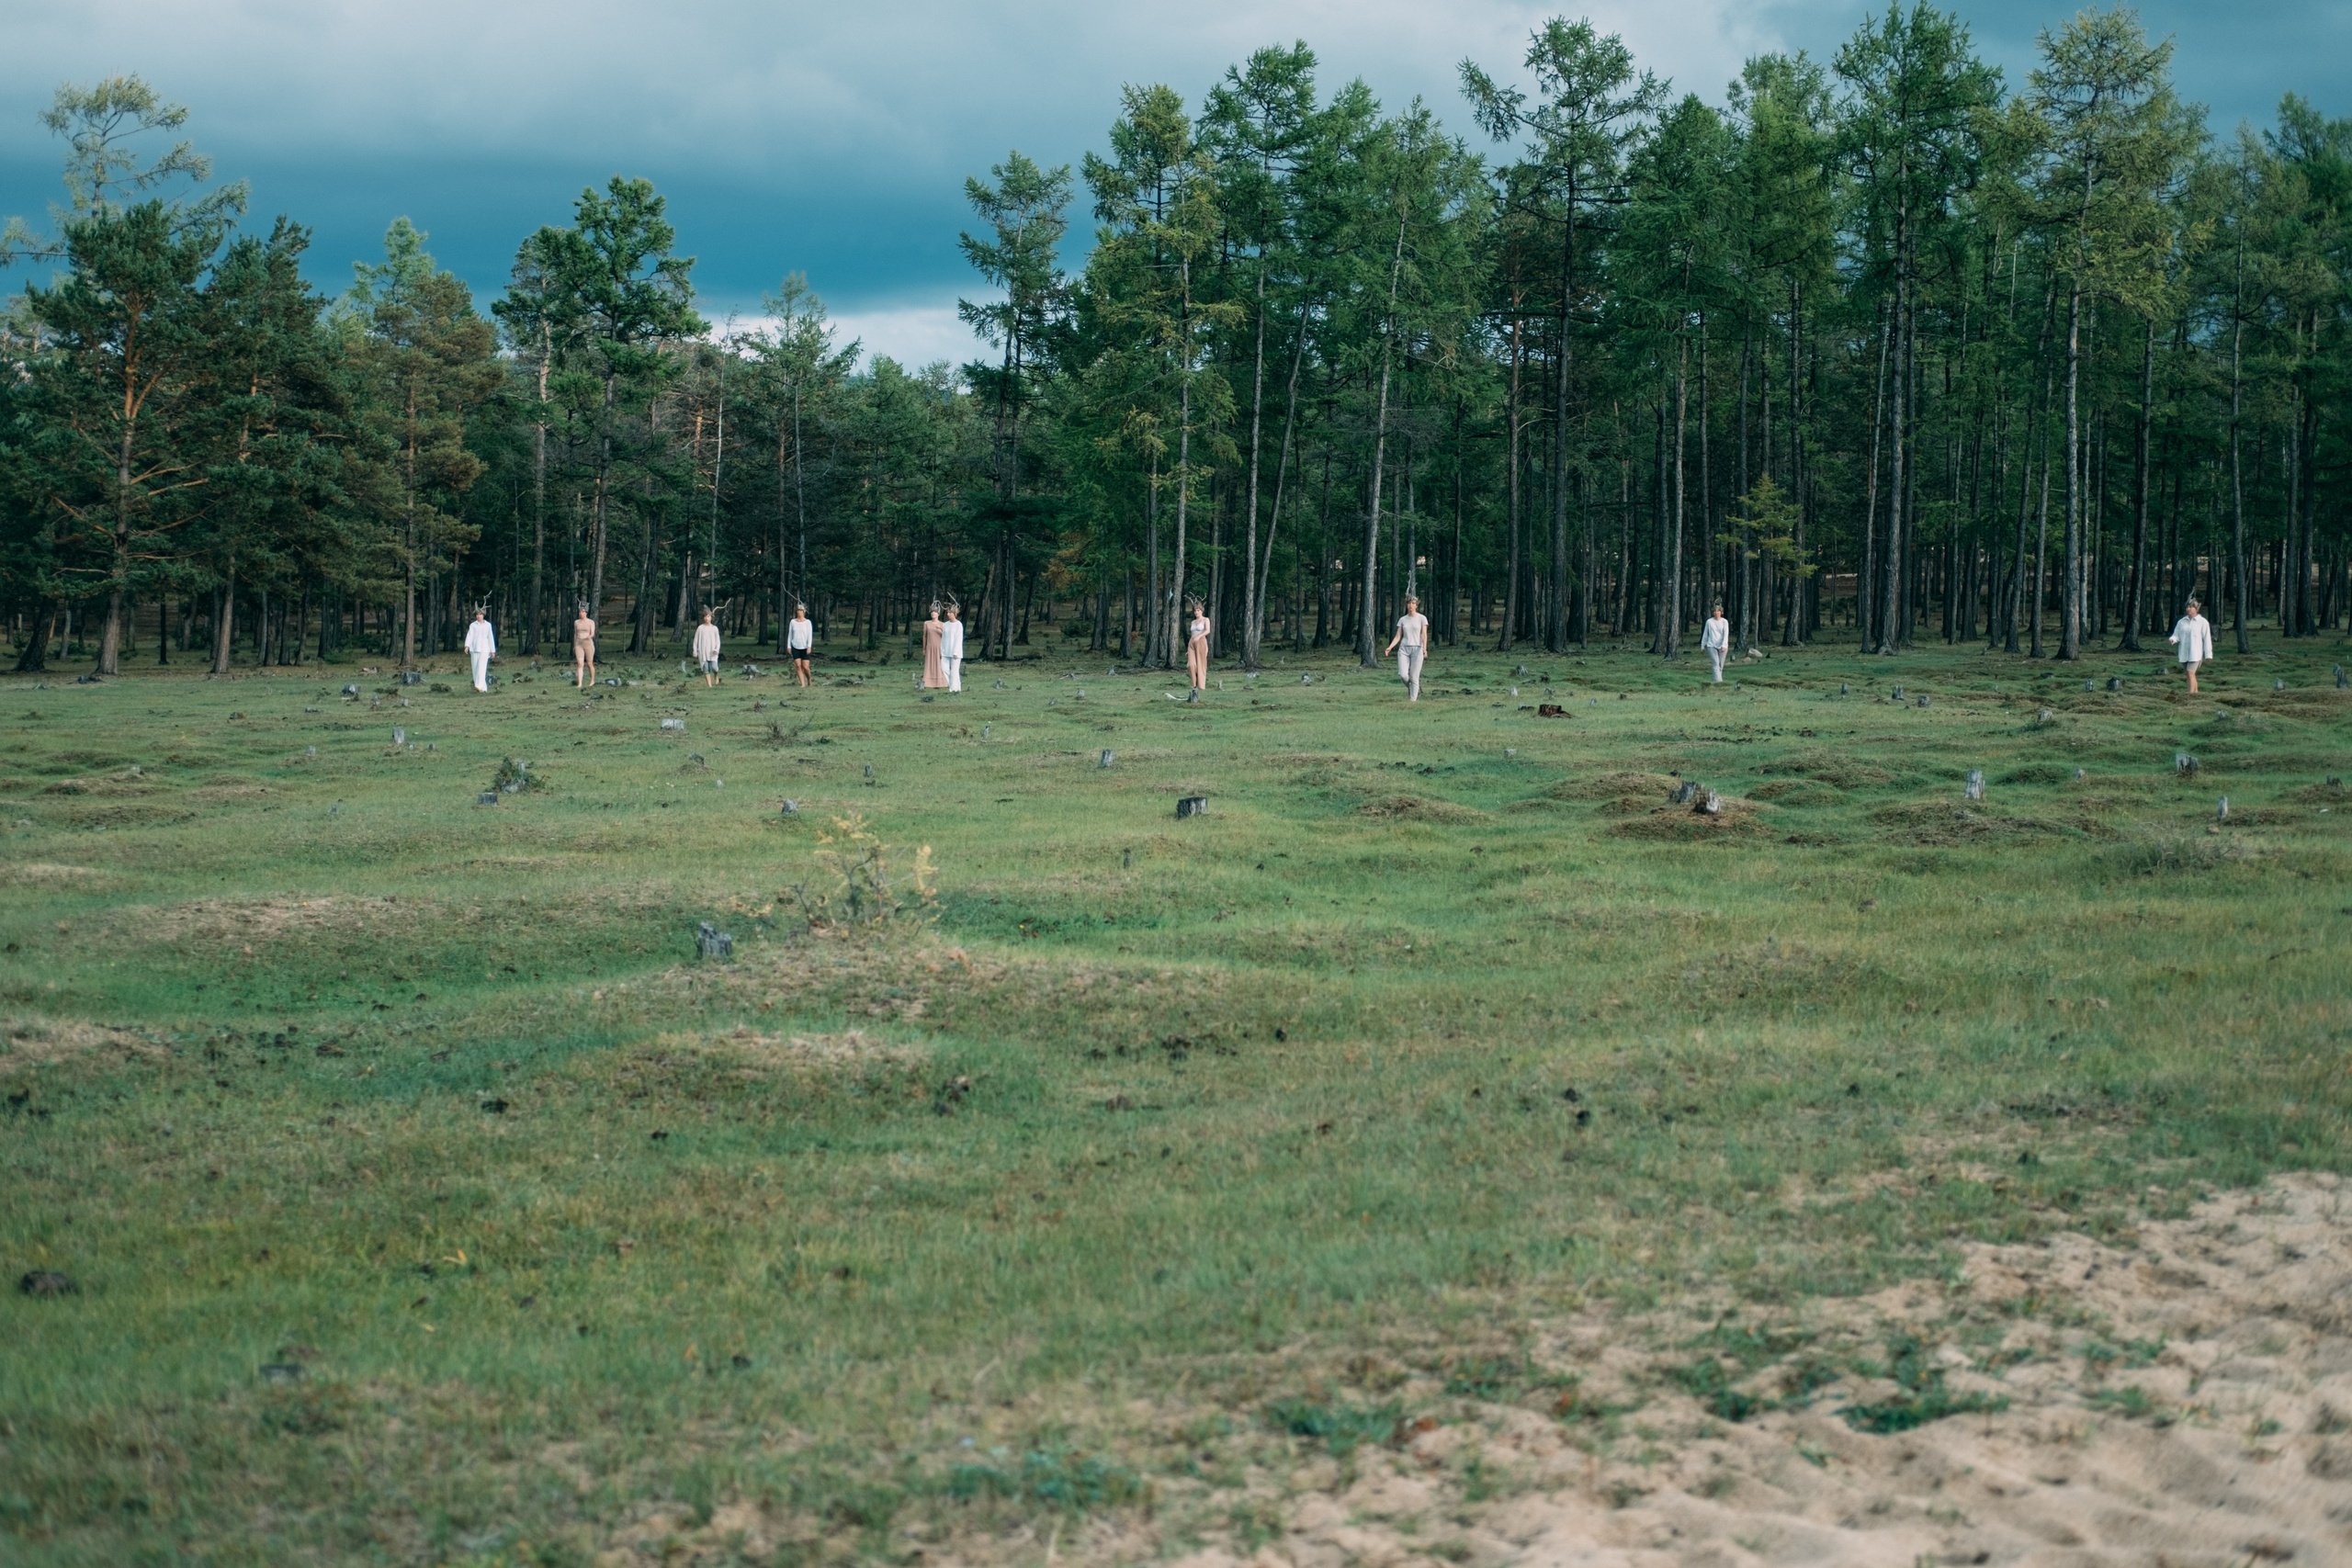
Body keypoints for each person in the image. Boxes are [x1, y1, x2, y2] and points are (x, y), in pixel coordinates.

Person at [1382, 595, 1430, 702]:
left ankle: (1412, 701)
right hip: (1404, 649)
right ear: (1406, 605)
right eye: (1409, 603)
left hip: (1417, 649)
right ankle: (1413, 688)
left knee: (1414, 677)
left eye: (1413, 603)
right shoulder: (1402, 620)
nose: (1411, 605)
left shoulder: (1422, 618)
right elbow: (1398, 636)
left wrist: (1424, 649)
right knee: (1403, 675)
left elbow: (1424, 635)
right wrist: (1390, 647)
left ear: (1416, 605)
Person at [2168, 595, 2213, 694]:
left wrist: (2208, 654)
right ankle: (2195, 693)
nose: (2188, 609)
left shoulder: (2203, 622)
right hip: (2184, 652)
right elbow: (2176, 635)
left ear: (2196, 608)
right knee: (2189, 674)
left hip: (2196, 653)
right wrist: (2172, 639)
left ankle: (2190, 695)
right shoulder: (2181, 622)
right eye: (2187, 607)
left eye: (2190, 607)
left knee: (2190, 673)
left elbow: (2207, 639)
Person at [463, 608, 496, 692]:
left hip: (485, 649)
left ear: (483, 615)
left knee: (482, 668)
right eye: (477, 614)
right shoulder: (473, 625)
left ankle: (479, 685)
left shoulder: (488, 625)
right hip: (474, 649)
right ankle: (483, 688)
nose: (478, 616)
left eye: (480, 614)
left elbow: (490, 638)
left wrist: (492, 651)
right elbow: (470, 636)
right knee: (475, 668)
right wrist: (467, 646)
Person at [691, 607, 722, 687]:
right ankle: (710, 686)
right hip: (703, 653)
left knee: (714, 668)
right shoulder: (700, 628)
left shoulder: (714, 628)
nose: (706, 618)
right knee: (706, 669)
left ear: (711, 617)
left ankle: (715, 676)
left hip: (713, 653)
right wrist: (695, 651)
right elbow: (695, 641)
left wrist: (716, 649)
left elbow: (718, 641)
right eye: (705, 616)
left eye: (708, 616)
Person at [1184, 601, 1211, 693]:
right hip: (1192, 643)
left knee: (1201, 664)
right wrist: (1189, 649)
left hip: (1201, 641)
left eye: (1198, 610)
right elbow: (1192, 634)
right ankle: (1194, 684)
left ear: (1201, 611)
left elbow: (1208, 631)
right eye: (1195, 610)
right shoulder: (1193, 622)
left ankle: (1201, 686)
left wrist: (1199, 636)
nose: (1196, 612)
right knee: (1191, 665)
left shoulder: (1205, 620)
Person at [1701, 602, 1730, 683]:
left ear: (1721, 612)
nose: (1716, 613)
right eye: (1714, 611)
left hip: (1722, 646)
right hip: (1711, 646)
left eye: (1718, 611)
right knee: (1715, 663)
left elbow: (1726, 634)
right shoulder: (1709, 622)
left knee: (1720, 665)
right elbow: (1705, 634)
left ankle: (1714, 682)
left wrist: (1724, 645)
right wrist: (1703, 646)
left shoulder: (1724, 622)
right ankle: (1719, 683)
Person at [921, 603, 948, 690]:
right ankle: (928, 682)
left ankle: (939, 683)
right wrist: (924, 648)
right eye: (932, 612)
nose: (933, 613)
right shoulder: (927, 623)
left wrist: (941, 629)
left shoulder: (943, 624)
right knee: (929, 665)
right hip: (930, 647)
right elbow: (925, 636)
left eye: (935, 612)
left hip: (939, 647)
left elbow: (946, 637)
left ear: (938, 614)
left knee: (939, 665)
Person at [940, 602, 965, 693]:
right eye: (947, 612)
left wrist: (955, 652)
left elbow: (958, 639)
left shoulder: (959, 625)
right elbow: (943, 638)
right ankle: (955, 686)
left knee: (954, 671)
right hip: (945, 651)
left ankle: (954, 689)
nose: (948, 614)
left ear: (954, 613)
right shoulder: (945, 624)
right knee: (944, 668)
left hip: (955, 653)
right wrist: (941, 650)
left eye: (950, 612)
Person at [787, 603, 814, 687]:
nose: (799, 612)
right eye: (798, 610)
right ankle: (802, 684)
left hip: (805, 647)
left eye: (801, 610)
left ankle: (809, 680)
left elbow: (810, 635)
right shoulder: (792, 622)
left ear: (804, 612)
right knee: (798, 666)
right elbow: (790, 634)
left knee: (805, 667)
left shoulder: (808, 622)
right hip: (795, 646)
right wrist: (789, 646)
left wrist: (809, 646)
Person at [572, 605, 598, 689]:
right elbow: (575, 634)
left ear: (586, 613)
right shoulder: (576, 622)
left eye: (582, 612)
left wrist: (588, 637)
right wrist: (575, 644)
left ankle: (592, 680)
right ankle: (580, 683)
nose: (581, 613)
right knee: (580, 663)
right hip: (579, 644)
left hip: (588, 643)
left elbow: (592, 633)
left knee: (589, 663)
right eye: (580, 612)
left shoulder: (591, 622)